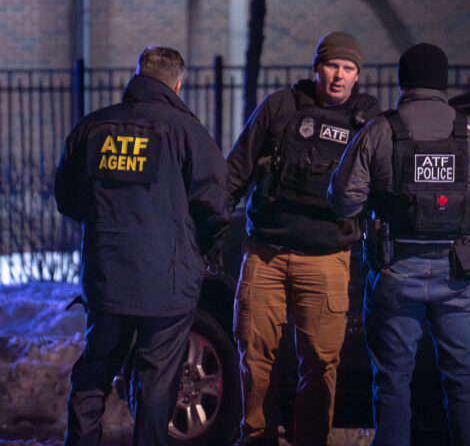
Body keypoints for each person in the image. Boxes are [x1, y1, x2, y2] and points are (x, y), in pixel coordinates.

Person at [328, 43, 470, 446]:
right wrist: (469, 208)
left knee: (393, 381)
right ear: (443, 81)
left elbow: (343, 198)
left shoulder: (381, 130)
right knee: (464, 378)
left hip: (396, 273)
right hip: (457, 274)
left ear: (403, 80)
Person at [55, 46, 230, 446]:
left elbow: (68, 198)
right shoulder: (187, 131)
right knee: (157, 385)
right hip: (165, 286)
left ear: (138, 75)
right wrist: (200, 248)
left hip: (107, 278)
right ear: (177, 84)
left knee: (93, 375)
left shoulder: (93, 128)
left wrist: (106, 223)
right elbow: (216, 205)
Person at [226, 31, 380, 446]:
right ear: (317, 68)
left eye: (349, 69)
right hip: (266, 253)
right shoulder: (281, 106)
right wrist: (207, 224)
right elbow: (236, 171)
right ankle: (256, 436)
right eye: (333, 66)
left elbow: (383, 189)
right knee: (255, 356)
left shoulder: (368, 122)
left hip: (328, 257)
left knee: (320, 363)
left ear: (357, 76)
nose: (339, 76)